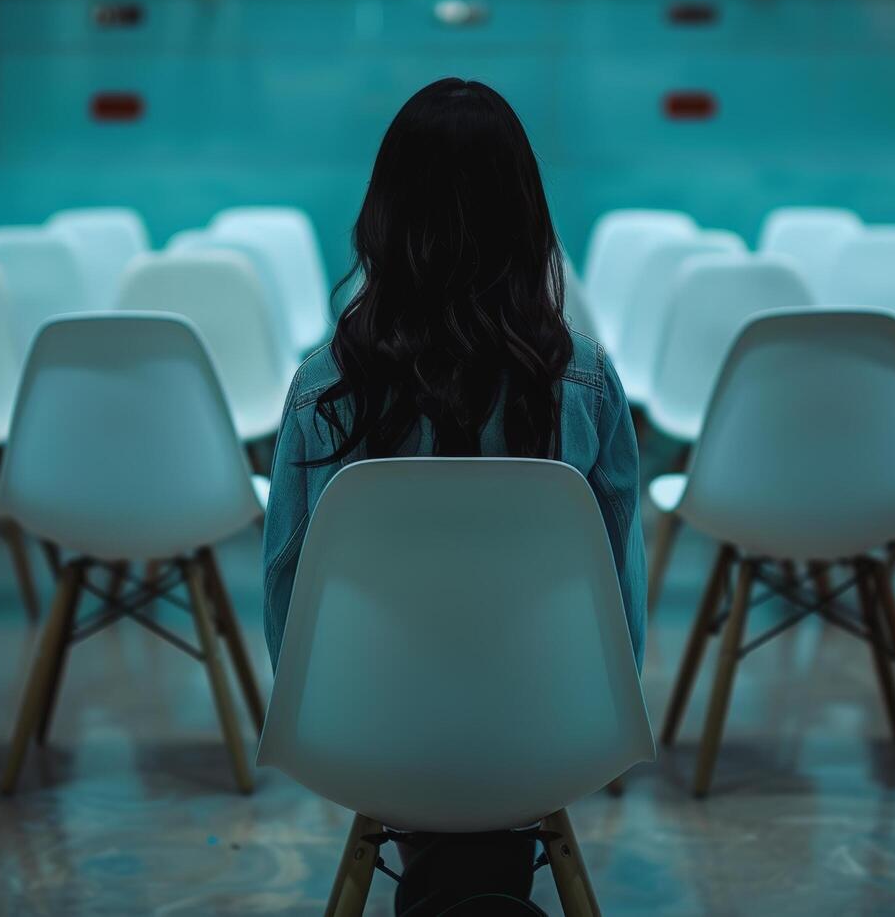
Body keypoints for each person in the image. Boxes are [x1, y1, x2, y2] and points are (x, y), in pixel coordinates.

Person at [261, 77, 645, 915]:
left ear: (384, 217)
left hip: (368, 728)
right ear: (526, 218)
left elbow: (288, 603)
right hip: (546, 727)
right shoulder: (581, 380)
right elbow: (619, 601)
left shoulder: (323, 388)